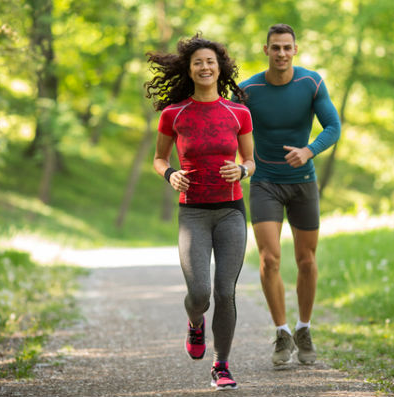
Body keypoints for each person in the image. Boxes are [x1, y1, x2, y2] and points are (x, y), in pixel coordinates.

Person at [145, 33, 255, 390]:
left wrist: (242, 170)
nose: (205, 67)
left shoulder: (238, 112)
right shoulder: (174, 114)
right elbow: (159, 159)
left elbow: (251, 160)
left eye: (210, 61)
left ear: (219, 66)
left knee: (226, 292)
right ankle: (195, 322)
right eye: (198, 63)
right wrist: (170, 174)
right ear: (189, 70)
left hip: (231, 212)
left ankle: (221, 365)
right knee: (200, 293)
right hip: (193, 213)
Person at [234, 23, 341, 367]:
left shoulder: (311, 83)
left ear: (296, 49)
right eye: (275, 47)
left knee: (306, 261)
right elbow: (230, 128)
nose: (281, 53)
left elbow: (333, 127)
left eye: (286, 47)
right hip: (264, 181)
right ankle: (281, 332)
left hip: (302, 183)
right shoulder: (247, 90)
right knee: (269, 259)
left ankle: (304, 328)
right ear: (265, 50)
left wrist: (308, 151)